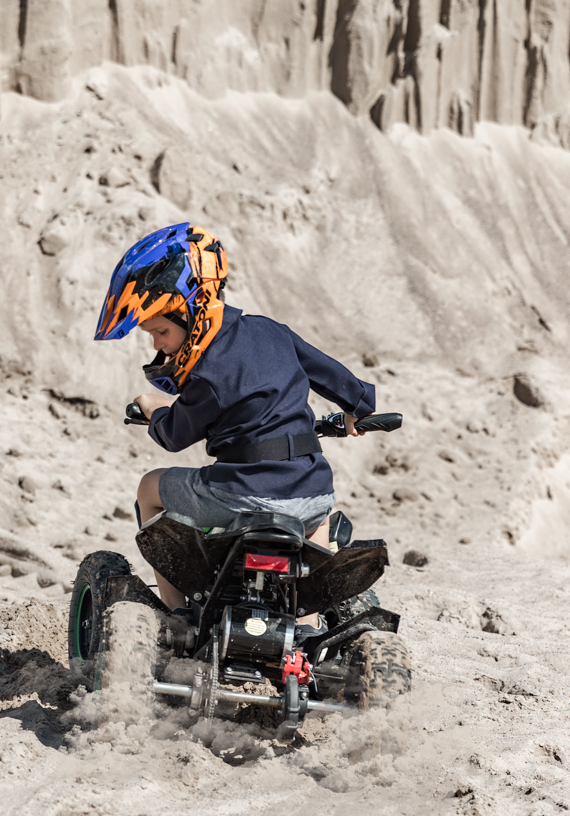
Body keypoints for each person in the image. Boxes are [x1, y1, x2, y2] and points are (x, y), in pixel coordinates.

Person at [94, 222, 375, 630]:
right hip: (313, 491)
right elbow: (331, 374)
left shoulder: (206, 374)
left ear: (192, 309)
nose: (157, 344)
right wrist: (357, 410)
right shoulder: (273, 332)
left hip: (242, 495)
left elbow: (174, 435)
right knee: (317, 524)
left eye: (160, 331)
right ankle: (307, 626)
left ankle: (176, 614)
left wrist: (154, 408)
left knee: (149, 488)